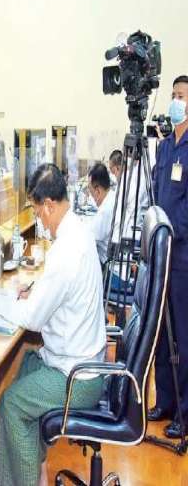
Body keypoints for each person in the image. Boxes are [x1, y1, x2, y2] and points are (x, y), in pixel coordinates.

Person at [0, 164, 105, 486]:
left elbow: (32, 319)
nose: (38, 219)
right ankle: (32, 472)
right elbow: (59, 293)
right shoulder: (78, 232)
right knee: (27, 364)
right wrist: (37, 293)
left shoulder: (66, 250)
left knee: (11, 404)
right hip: (80, 360)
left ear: (49, 205)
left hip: (77, 377)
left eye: (37, 211)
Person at [149, 75, 188, 439]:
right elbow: (154, 191)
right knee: (161, 331)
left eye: (182, 96)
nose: (176, 101)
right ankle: (163, 401)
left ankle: (184, 411)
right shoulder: (164, 148)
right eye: (174, 95)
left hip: (183, 256)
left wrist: (173, 229)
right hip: (161, 252)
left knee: (184, 335)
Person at [86, 162, 116, 264]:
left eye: (91, 192)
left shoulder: (106, 210)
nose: (92, 197)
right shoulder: (112, 197)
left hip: (108, 264)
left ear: (98, 191)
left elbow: (89, 236)